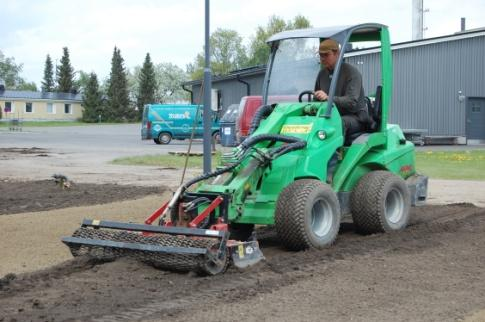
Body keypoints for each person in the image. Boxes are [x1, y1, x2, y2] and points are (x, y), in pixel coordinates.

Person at [314, 38, 368, 138]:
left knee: (335, 124)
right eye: (321, 55)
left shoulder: (351, 73)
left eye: (326, 55)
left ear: (337, 54)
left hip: (355, 117)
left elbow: (351, 102)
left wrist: (328, 98)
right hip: (331, 115)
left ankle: (334, 153)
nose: (322, 58)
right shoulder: (321, 74)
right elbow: (315, 100)